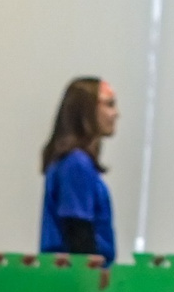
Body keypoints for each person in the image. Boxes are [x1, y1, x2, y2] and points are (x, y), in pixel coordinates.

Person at [38, 77, 117, 263]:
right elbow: (78, 234)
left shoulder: (76, 162)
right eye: (109, 105)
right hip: (75, 281)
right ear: (87, 109)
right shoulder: (76, 163)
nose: (116, 114)